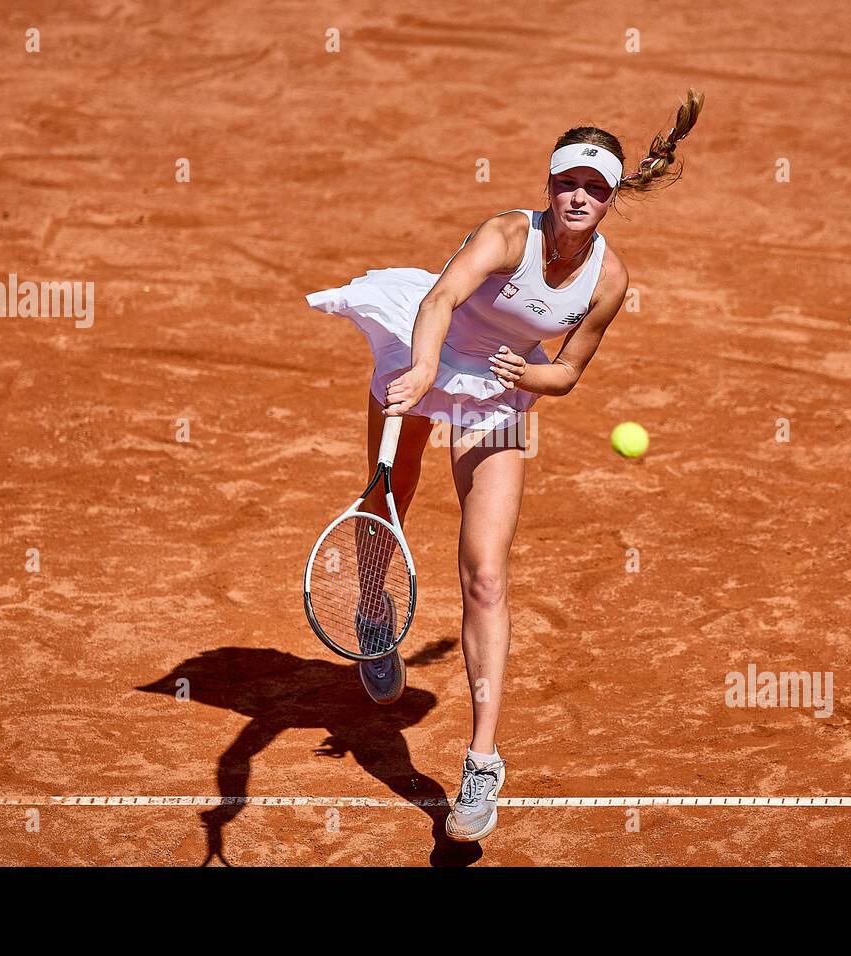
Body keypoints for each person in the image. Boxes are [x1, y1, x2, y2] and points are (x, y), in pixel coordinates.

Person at [304, 88, 703, 842]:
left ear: (613, 197)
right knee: (390, 494)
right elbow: (444, 294)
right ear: (548, 186)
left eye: (595, 187)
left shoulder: (610, 282)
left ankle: (482, 762)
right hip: (423, 349)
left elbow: (569, 372)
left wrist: (528, 379)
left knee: (486, 571)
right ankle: (373, 609)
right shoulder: (505, 234)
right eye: (567, 184)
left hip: (497, 387)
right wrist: (422, 371)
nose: (578, 197)